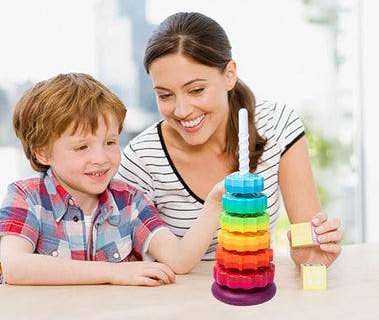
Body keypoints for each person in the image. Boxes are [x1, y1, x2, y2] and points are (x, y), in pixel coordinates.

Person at [117, 11, 343, 267]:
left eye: (196, 90)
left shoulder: (277, 125)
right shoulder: (141, 159)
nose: (181, 111)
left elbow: (308, 240)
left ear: (229, 74)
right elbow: (133, 264)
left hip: (255, 294)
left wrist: (309, 255)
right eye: (165, 95)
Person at [0, 73, 225, 286]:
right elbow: (15, 266)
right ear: (43, 153)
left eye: (109, 142)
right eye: (81, 147)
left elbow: (179, 260)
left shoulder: (130, 200)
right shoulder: (26, 196)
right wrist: (113, 272)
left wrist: (215, 203)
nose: (101, 158)